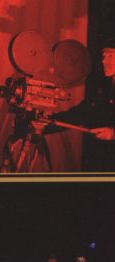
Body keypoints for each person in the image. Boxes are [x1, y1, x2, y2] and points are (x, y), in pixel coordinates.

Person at [52, 37, 115, 171]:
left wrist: (113, 133)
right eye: (104, 56)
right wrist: (48, 122)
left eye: (111, 56)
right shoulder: (104, 87)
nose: (104, 61)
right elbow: (82, 113)